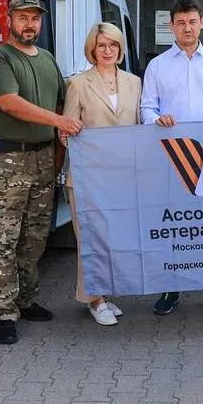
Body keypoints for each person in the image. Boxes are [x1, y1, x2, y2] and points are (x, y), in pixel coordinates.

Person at [0, 0, 82, 345]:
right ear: (9, 20)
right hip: (8, 159)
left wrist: (58, 151)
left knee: (35, 237)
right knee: (2, 238)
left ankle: (25, 300)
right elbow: (10, 104)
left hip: (42, 159)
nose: (29, 25)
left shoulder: (48, 60)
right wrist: (60, 121)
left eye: (35, 19)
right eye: (22, 17)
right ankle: (3, 313)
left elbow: (60, 101)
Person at [140, 0, 203, 315]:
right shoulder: (157, 66)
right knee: (177, 226)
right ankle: (171, 289)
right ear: (171, 26)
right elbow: (146, 108)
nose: (187, 28)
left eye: (192, 21)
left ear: (202, 23)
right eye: (180, 23)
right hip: (174, 157)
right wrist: (157, 120)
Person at [61, 22, 141, 325]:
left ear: (120, 49)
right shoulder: (79, 84)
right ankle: (94, 299)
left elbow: (138, 126)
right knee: (90, 239)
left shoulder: (134, 82)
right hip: (87, 177)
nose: (107, 51)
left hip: (121, 177)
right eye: (101, 46)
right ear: (92, 50)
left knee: (113, 238)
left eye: (113, 45)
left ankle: (104, 293)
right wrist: (73, 130)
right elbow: (64, 132)